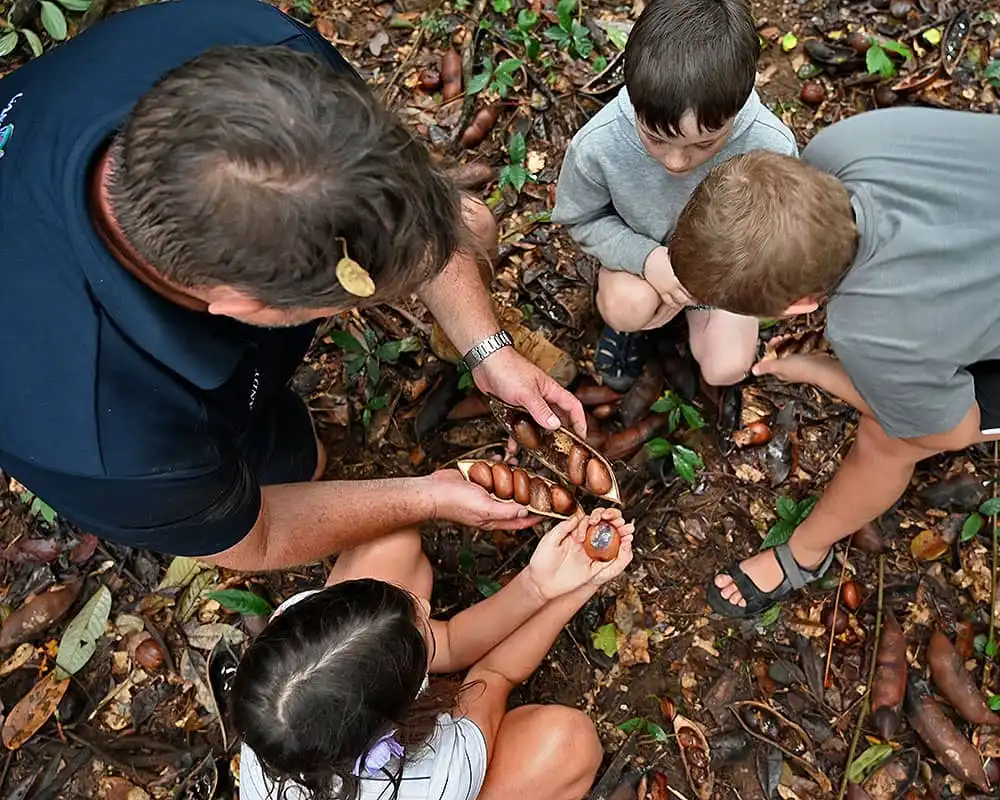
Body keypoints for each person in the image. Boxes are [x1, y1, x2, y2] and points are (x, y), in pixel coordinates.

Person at [0, 0, 585, 570]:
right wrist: (430, 495)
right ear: (237, 305)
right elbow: (259, 536)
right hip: (112, 393)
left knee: (468, 221)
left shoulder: (263, 54)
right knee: (287, 469)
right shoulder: (113, 441)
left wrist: (488, 349)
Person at [666, 107, 1000, 616]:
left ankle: (805, 552)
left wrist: (821, 371)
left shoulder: (873, 329)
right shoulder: (843, 144)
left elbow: (947, 433)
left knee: (889, 438)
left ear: (800, 306)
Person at [232, 508, 633, 800]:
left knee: (391, 539)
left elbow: (451, 641)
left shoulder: (282, 677)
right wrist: (578, 585)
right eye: (419, 623)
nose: (425, 607)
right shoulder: (435, 775)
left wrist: (536, 583)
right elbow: (494, 675)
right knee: (570, 745)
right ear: (399, 718)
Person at [551, 0, 797, 422]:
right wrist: (647, 260)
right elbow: (580, 218)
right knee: (626, 306)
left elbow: (773, 233)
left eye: (704, 144)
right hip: (639, 267)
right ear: (634, 99)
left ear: (737, 108)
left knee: (726, 367)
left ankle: (685, 322)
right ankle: (634, 328)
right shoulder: (598, 146)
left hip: (718, 277)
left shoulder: (771, 147)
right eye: (655, 138)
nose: (677, 162)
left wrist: (724, 284)